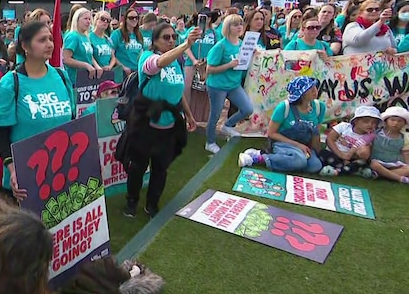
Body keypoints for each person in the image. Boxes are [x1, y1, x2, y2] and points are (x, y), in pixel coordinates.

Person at [118, 22, 199, 218]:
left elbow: (177, 91)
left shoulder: (176, 62)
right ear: (154, 41)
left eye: (173, 37)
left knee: (161, 168)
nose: (171, 40)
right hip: (146, 124)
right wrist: (186, 44)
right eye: (166, 37)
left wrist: (189, 115)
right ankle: (132, 202)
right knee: (138, 167)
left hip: (169, 125)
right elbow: (158, 64)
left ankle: (152, 204)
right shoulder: (147, 57)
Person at [0, 21, 76, 201]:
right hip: (26, 179)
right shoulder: (10, 84)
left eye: (50, 39)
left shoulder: (62, 76)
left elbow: (72, 124)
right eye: (42, 40)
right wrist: (13, 170)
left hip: (61, 173)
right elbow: (1, 134)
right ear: (25, 46)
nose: (50, 44)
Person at [238, 76, 325, 174]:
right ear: (301, 94)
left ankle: (289, 161)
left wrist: (315, 152)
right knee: (299, 160)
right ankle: (258, 157)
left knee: (315, 166)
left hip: (304, 145)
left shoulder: (319, 107)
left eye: (315, 87)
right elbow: (271, 133)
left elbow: (316, 132)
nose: (315, 91)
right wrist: (297, 145)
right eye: (310, 89)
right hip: (283, 142)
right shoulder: (284, 107)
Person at [203, 14, 253, 154]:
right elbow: (209, 69)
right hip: (217, 85)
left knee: (247, 108)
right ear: (227, 27)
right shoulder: (220, 46)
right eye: (235, 24)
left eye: (240, 24)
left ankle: (228, 125)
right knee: (215, 114)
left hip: (234, 85)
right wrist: (229, 65)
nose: (239, 27)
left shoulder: (243, 44)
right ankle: (210, 142)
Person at [319, 106, 379, 177]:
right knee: (323, 154)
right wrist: (341, 155)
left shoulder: (369, 137)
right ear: (356, 121)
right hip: (335, 153)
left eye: (374, 123)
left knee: (362, 162)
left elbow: (365, 155)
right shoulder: (344, 126)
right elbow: (330, 139)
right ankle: (353, 170)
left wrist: (349, 158)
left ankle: (337, 171)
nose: (370, 125)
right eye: (366, 121)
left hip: (351, 159)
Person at [369, 106, 409, 183]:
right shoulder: (377, 132)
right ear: (386, 121)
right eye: (392, 120)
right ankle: (399, 178)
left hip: (394, 163)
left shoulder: (405, 137)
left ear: (404, 124)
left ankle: (380, 175)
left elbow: (406, 153)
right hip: (377, 161)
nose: (396, 123)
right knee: (374, 165)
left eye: (400, 121)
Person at [63, 8, 103, 82]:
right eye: (85, 19)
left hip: (86, 78)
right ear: (77, 20)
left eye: (89, 19)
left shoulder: (86, 37)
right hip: (74, 79)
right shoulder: (73, 36)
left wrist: (97, 66)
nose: (88, 22)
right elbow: (66, 59)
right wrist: (85, 65)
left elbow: (89, 55)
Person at [110, 6, 144, 77]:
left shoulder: (139, 34)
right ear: (125, 19)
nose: (134, 19)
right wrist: (122, 67)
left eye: (136, 17)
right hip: (123, 71)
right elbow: (111, 53)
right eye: (131, 18)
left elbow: (141, 52)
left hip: (137, 70)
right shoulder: (117, 34)